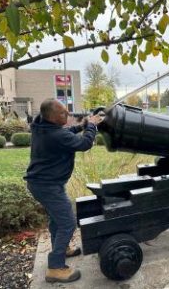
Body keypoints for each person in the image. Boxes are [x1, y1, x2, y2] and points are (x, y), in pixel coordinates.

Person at [24, 99, 103, 283]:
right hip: (48, 186)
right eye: (62, 114)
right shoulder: (55, 135)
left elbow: (65, 133)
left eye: (67, 112)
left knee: (57, 219)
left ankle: (61, 248)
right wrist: (91, 126)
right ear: (51, 116)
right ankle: (56, 268)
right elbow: (84, 144)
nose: (67, 116)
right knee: (67, 222)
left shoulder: (41, 127)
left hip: (42, 184)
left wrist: (81, 125)